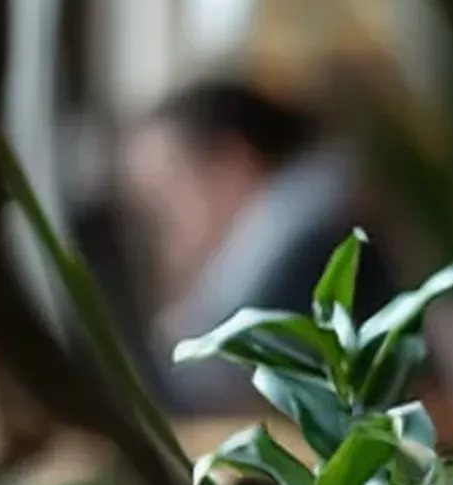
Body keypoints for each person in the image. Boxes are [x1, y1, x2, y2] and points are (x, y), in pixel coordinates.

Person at [120, 78, 395, 413]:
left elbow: (202, 381)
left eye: (163, 202)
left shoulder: (303, 225)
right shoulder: (324, 198)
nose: (163, 237)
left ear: (233, 166)